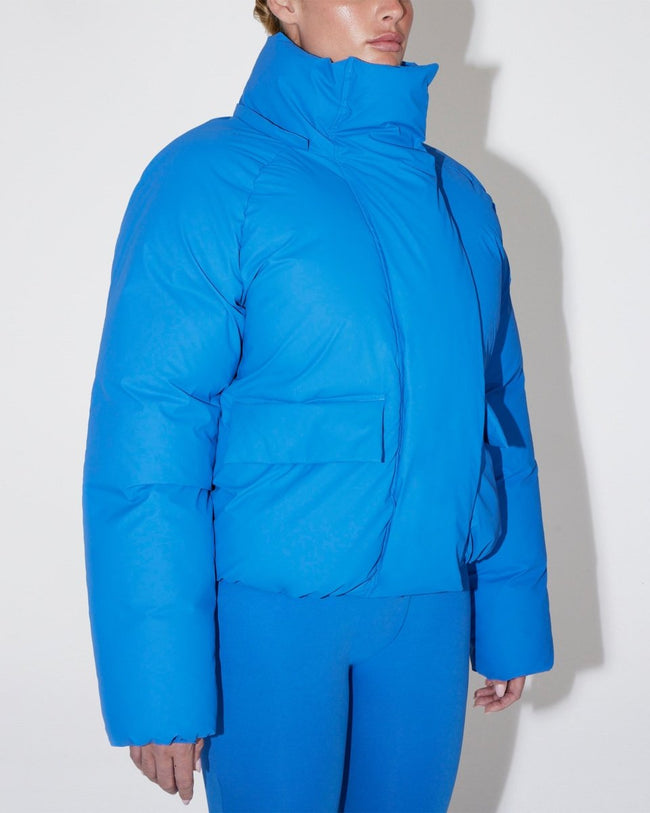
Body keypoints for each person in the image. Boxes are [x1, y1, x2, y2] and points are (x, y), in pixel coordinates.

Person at [81, 1, 554, 810]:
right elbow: (149, 434)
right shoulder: (212, 179)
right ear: (284, 4)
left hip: (430, 613)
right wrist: (160, 682)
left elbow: (498, 413)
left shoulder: (461, 200)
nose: (392, 8)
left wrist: (508, 610)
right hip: (271, 624)